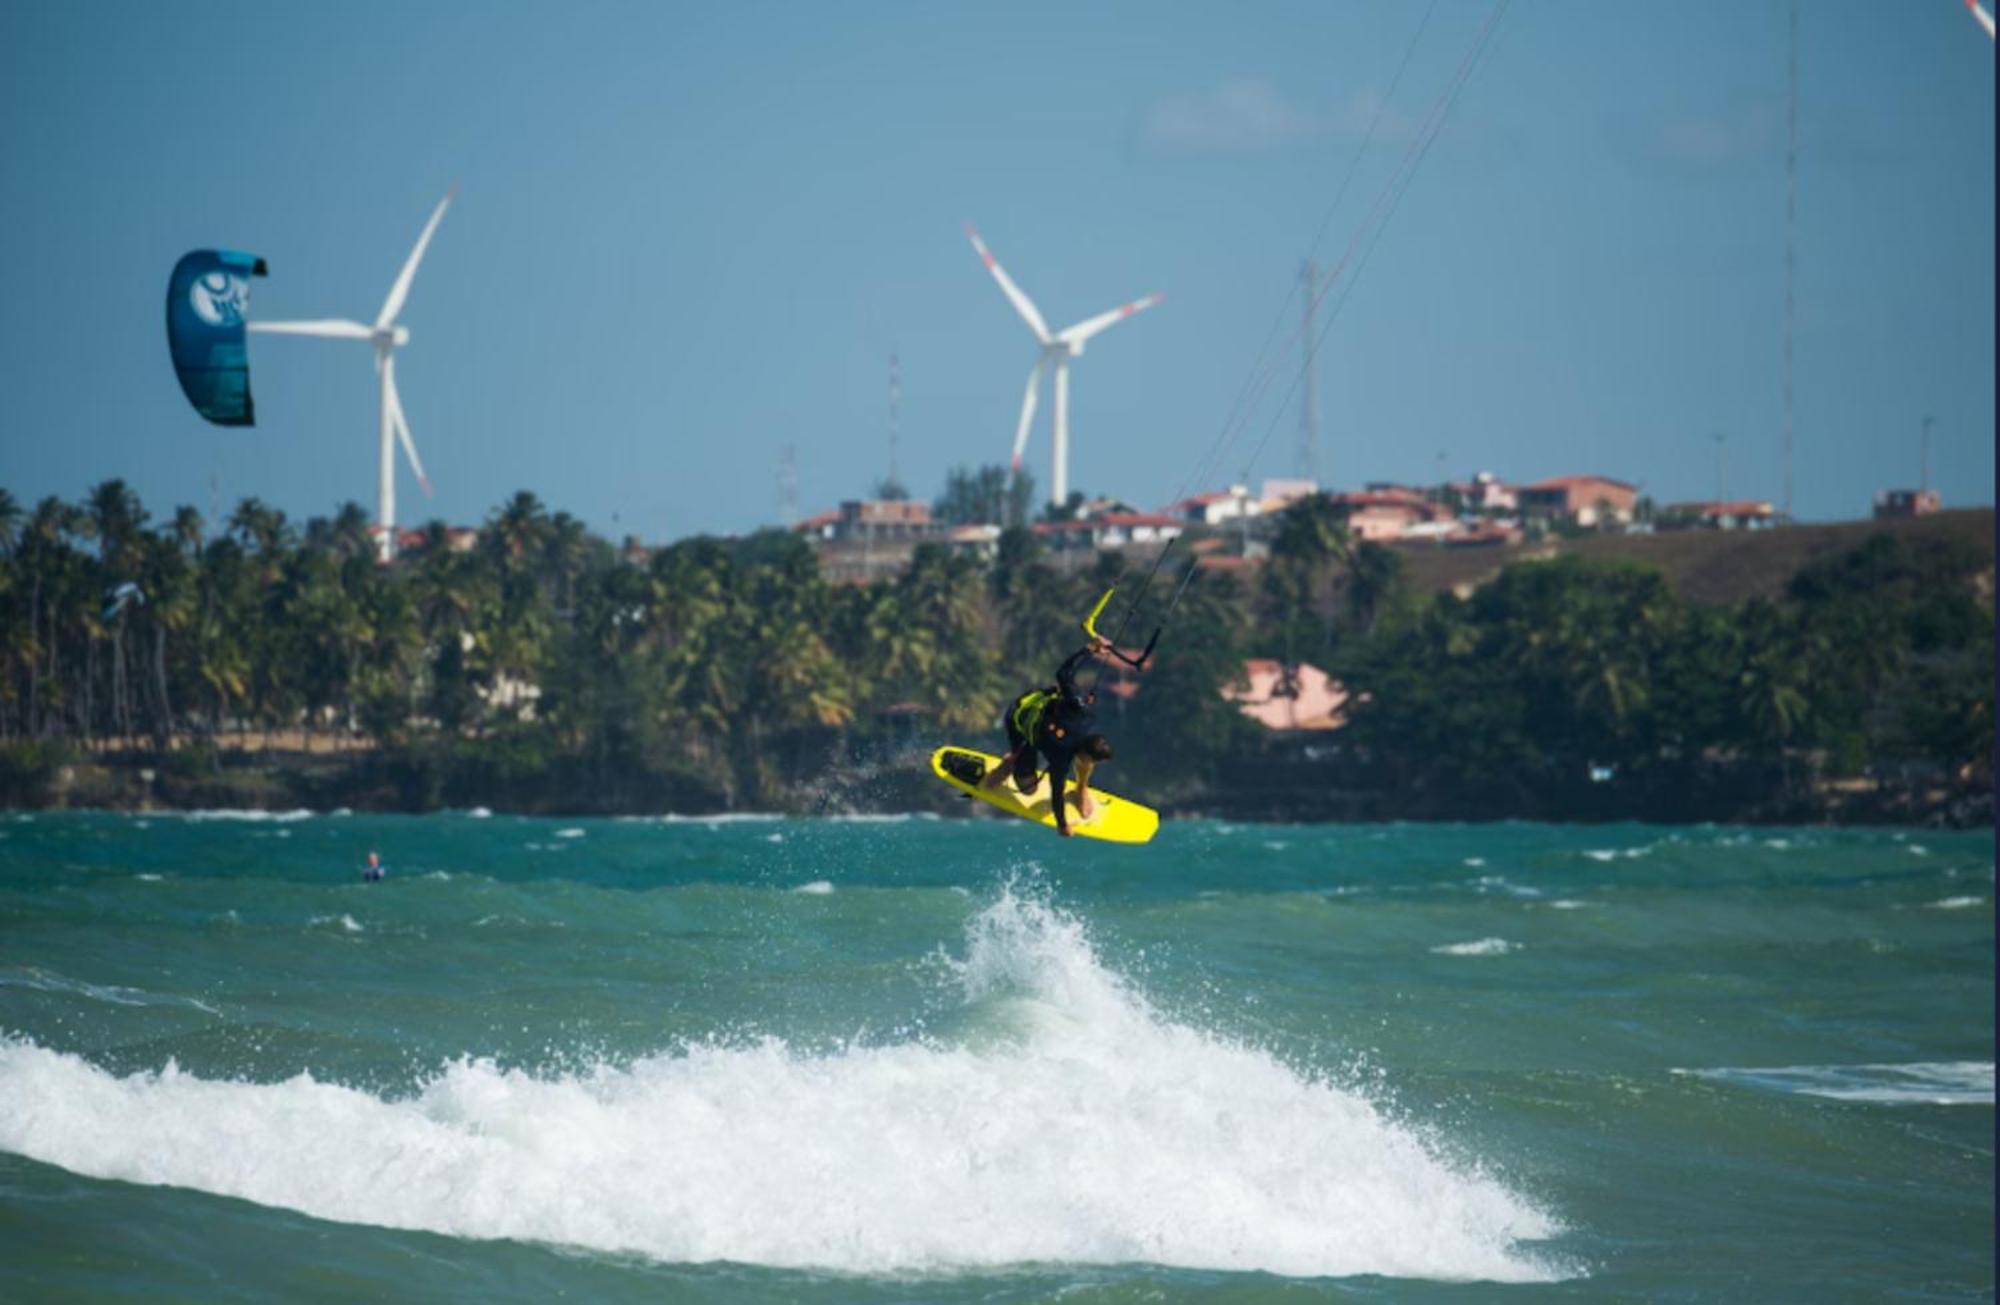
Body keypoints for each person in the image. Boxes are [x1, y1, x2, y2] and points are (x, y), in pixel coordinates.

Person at [985, 635, 1117, 837]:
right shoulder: (1061, 758)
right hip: (1021, 719)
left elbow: (1063, 674)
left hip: (1044, 714)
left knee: (1084, 762)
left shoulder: (1084, 712)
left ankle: (1081, 790)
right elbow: (1056, 796)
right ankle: (1010, 762)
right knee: (1028, 789)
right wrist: (1062, 825)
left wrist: (1090, 649)